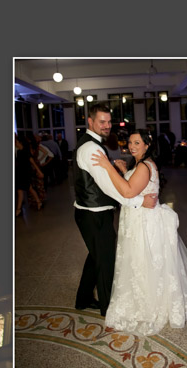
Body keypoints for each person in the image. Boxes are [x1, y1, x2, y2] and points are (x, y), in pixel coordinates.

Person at [88, 130, 187, 335]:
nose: (132, 146)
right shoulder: (139, 164)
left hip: (143, 223)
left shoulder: (144, 166)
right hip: (136, 219)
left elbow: (128, 192)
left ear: (147, 145)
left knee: (143, 261)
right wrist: (124, 171)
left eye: (137, 143)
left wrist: (108, 167)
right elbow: (133, 187)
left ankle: (149, 305)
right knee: (139, 262)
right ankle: (143, 299)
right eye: (130, 142)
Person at [73, 105, 159, 316]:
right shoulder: (92, 149)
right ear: (90, 122)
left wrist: (118, 170)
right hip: (94, 214)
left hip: (90, 211)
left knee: (96, 257)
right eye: (102, 121)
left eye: (109, 122)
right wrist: (139, 201)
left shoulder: (91, 145)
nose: (107, 126)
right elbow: (108, 187)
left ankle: (83, 299)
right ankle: (108, 309)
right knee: (106, 261)